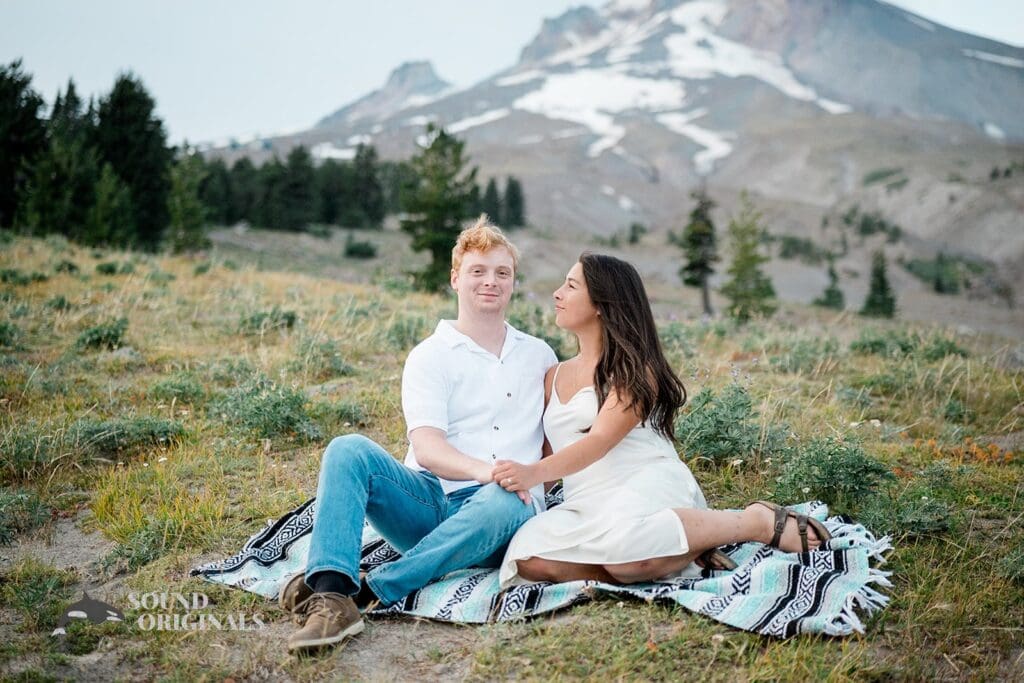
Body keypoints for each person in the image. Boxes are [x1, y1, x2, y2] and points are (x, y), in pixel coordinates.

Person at [284, 215, 557, 653]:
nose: (491, 281)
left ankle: (369, 592)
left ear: (513, 282)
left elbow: (551, 441)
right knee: (347, 449)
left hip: (503, 513)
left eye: (502, 273)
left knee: (506, 497)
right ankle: (332, 590)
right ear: (455, 279)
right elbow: (428, 449)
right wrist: (484, 471)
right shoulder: (430, 356)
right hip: (429, 503)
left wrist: (528, 478)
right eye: (478, 271)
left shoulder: (539, 354)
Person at [493, 253, 830, 588]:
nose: (557, 293)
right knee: (527, 558)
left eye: (571, 286)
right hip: (585, 502)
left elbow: (598, 442)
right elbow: (549, 454)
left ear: (601, 303)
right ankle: (676, 554)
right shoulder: (553, 375)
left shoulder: (636, 370)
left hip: (644, 483)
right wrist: (521, 492)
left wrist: (530, 474)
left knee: (629, 551)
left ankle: (755, 522)